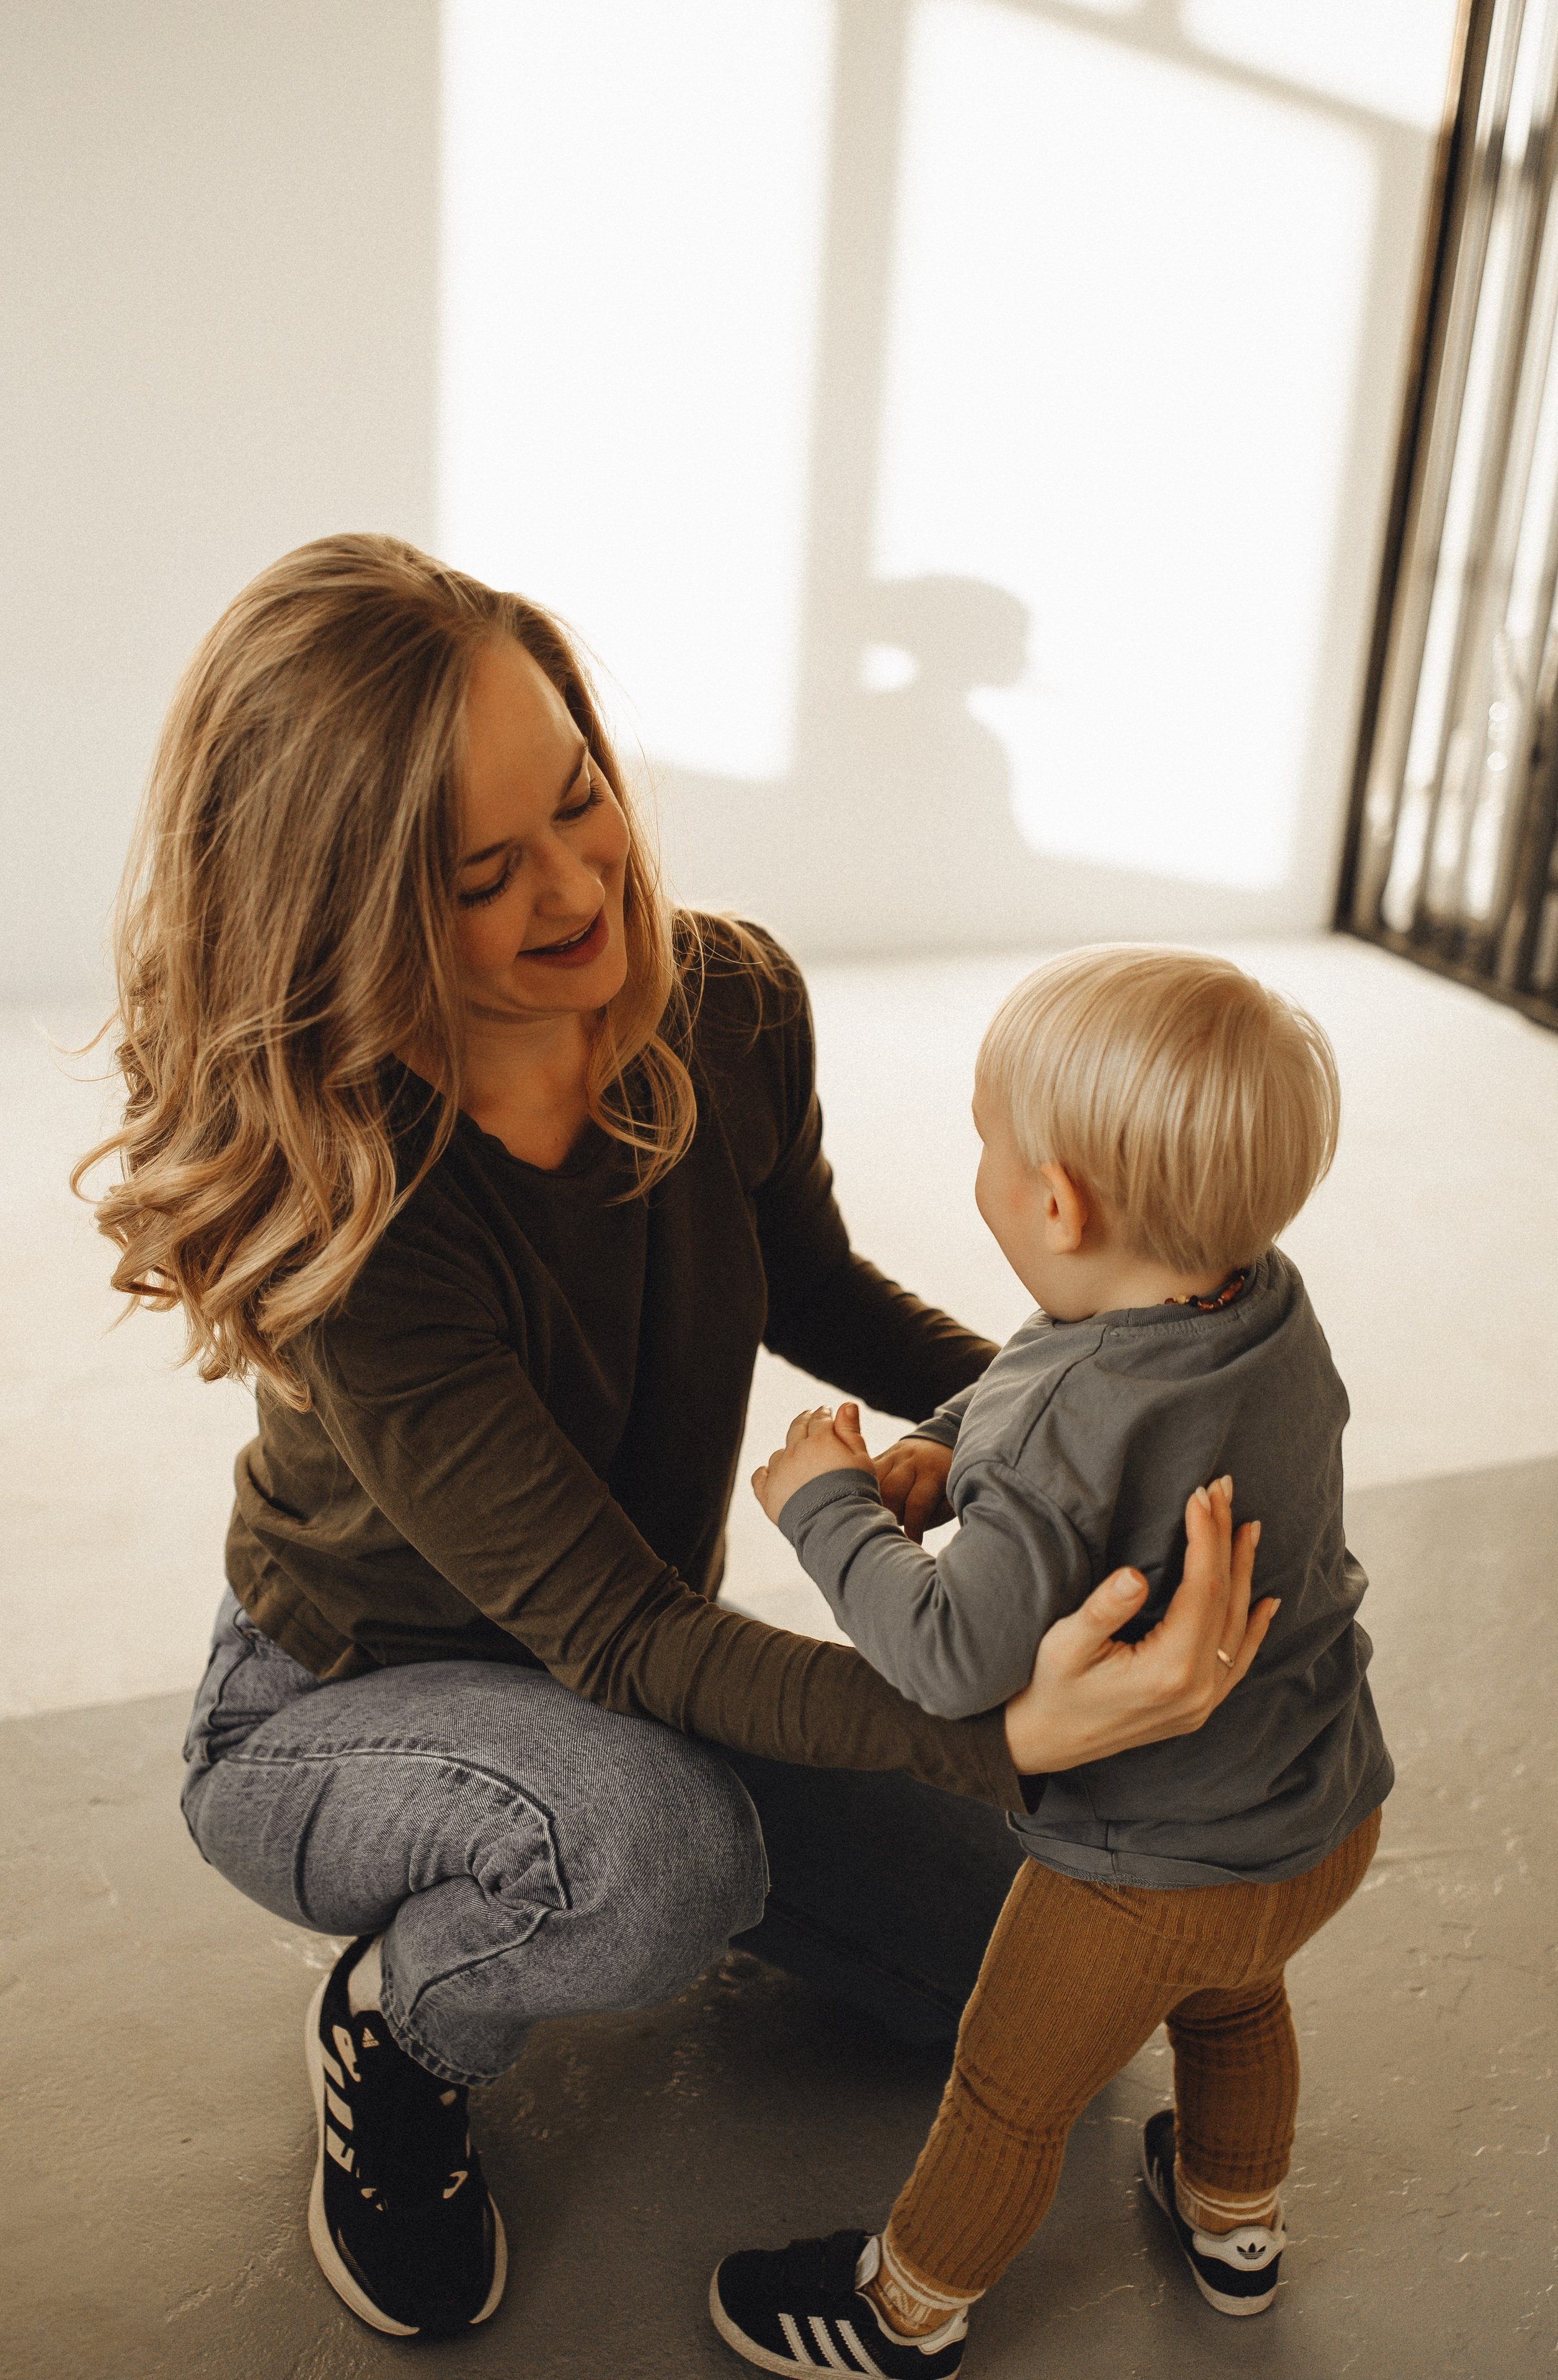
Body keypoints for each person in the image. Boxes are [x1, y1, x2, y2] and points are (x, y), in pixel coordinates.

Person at [77, 536, 1272, 2343]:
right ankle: (403, 2022)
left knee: (1013, 1980)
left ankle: (628, 1849)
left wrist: (1104, 1418)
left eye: (581, 802)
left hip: (628, 1675)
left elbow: (820, 1289)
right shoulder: (369, 1227)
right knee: (656, 1854)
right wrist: (1001, 1735)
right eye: (486, 875)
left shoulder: (722, 1004)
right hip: (341, 1712)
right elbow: (629, 1637)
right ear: (351, 916)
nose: (580, 887)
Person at [710, 945, 1392, 2374]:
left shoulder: (1059, 1425)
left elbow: (950, 1656)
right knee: (1240, 1992)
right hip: (1318, 1812)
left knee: (1007, 2093)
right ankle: (1232, 2221)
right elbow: (1056, 1383)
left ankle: (905, 2312)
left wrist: (824, 1506)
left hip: (1135, 1874)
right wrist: (950, 1450)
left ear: (1055, 1200)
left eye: (984, 1140)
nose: (979, 1163)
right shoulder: (1262, 1303)